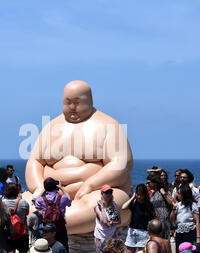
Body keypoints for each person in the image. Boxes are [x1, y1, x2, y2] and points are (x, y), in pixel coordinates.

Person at [24, 80, 133, 235]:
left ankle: (54, 223)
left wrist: (90, 184)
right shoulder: (51, 126)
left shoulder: (109, 125)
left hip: (96, 192)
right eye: (68, 102)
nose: (72, 108)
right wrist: (37, 187)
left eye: (77, 102)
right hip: (49, 194)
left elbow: (121, 164)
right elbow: (35, 161)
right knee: (23, 204)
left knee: (97, 207)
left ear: (89, 100)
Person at [2, 183, 29, 253]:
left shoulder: (2, 203)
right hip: (22, 233)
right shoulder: (23, 202)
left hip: (8, 233)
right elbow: (26, 214)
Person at [93, 184, 120, 253]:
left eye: (110, 192)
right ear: (102, 194)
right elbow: (103, 220)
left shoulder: (115, 204)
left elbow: (119, 220)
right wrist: (103, 207)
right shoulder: (97, 207)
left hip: (112, 235)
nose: (108, 194)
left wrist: (113, 222)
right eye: (106, 193)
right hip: (100, 235)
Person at [35, 177, 71, 252]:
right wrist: (62, 188)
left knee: (48, 247)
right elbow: (69, 201)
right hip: (60, 225)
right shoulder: (63, 198)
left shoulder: (42, 199)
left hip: (47, 227)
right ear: (55, 186)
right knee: (63, 246)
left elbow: (36, 204)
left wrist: (43, 190)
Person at [122, 184, 156, 253]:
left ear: (145, 194)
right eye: (138, 194)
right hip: (132, 231)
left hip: (144, 232)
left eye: (141, 195)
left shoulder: (149, 205)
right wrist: (132, 198)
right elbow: (123, 207)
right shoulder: (134, 203)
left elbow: (153, 218)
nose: (139, 197)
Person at [170, 185, 200, 253]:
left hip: (190, 230)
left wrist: (198, 237)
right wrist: (174, 208)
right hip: (179, 231)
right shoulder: (178, 205)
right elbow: (171, 219)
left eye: (180, 193)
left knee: (189, 251)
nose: (178, 194)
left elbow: (197, 221)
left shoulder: (192, 205)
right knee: (179, 251)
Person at [148, 176, 173, 240]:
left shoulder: (163, 192)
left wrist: (164, 193)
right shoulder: (152, 194)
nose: (147, 184)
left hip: (164, 219)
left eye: (149, 182)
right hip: (156, 219)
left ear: (154, 183)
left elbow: (171, 203)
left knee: (164, 239)